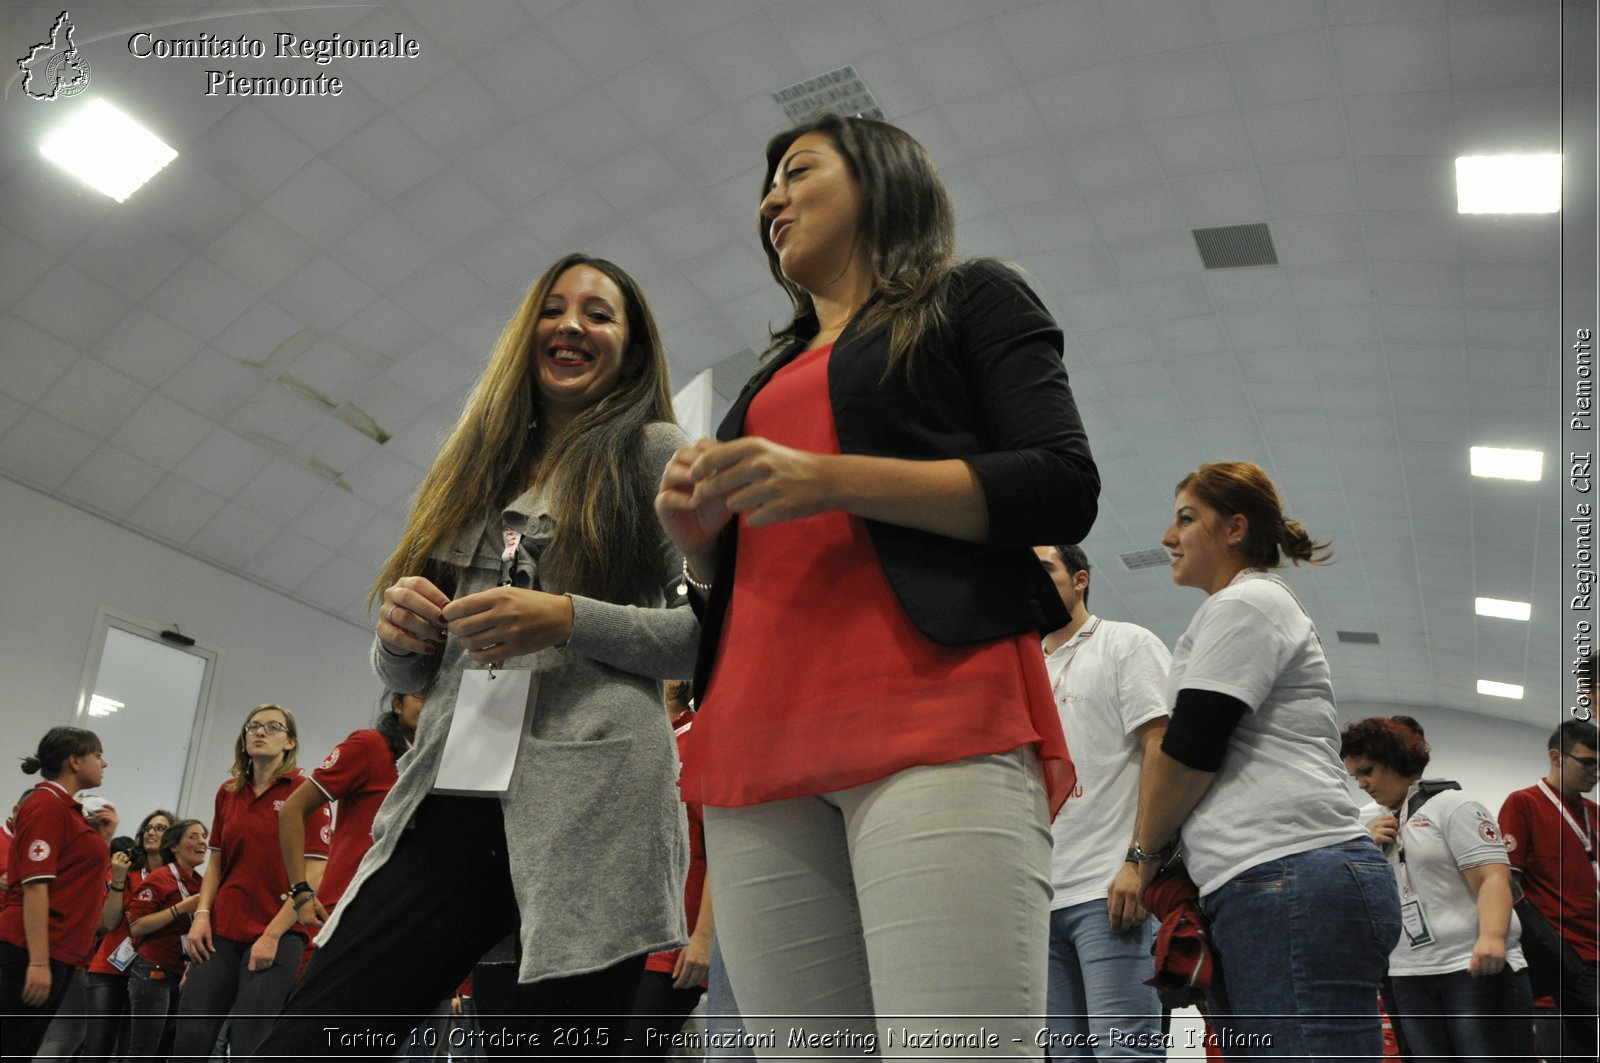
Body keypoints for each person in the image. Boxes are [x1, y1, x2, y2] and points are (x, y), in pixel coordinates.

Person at [655, 114, 1098, 1051]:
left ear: (883, 179)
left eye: (797, 170)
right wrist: (699, 548)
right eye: (766, 185)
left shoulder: (968, 296)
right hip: (756, 742)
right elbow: (731, 584)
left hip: (931, 709)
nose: (771, 197)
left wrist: (833, 478)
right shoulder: (767, 374)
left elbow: (1060, 482)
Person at [254, 252, 696, 1059]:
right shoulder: (472, 465)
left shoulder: (652, 451)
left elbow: (707, 633)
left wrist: (566, 616)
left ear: (631, 351)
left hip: (593, 806)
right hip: (454, 790)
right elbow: (408, 674)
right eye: (554, 308)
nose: (571, 325)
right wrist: (395, 637)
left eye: (599, 314)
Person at [1124, 461, 1400, 1058]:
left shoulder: (1246, 604)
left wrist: (1140, 858)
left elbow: (1191, 749)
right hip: (1271, 879)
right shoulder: (1239, 609)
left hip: (1291, 873)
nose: (1168, 537)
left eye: (1186, 519)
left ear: (1235, 529)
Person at [1033, 545, 1169, 1060]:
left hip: (1109, 890)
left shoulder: (1125, 644)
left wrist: (1140, 861)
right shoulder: (1019, 669)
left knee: (1125, 1054)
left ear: (1081, 579)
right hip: (1040, 898)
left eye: (1045, 569)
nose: (1032, 580)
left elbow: (1163, 747)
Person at [1341, 716, 1534, 1058]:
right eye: (1356, 776)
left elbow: (1493, 877)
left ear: (1394, 758)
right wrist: (1364, 846)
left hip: (1472, 966)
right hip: (1408, 972)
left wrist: (1491, 938)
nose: (1362, 784)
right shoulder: (1372, 826)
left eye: (1367, 771)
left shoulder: (1453, 806)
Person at [174, 704, 330, 1060]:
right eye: (253, 727)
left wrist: (272, 934)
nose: (260, 732)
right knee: (189, 1040)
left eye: (273, 727)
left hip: (278, 933)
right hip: (220, 931)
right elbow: (215, 863)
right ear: (244, 740)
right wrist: (201, 916)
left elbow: (314, 873)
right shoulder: (228, 792)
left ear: (290, 742)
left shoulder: (307, 793)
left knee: (249, 1044)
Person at [0, 727, 111, 1059]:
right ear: (75, 761)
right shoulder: (47, 804)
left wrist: (103, 840)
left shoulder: (66, 809)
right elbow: (35, 886)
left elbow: (76, 880)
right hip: (31, 948)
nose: (104, 763)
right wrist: (37, 961)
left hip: (57, 950)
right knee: (11, 1045)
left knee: (22, 1046)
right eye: (98, 755)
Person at [278, 685, 429, 929]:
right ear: (397, 704)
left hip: (406, 913)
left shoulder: (438, 765)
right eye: (422, 696)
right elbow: (292, 809)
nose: (432, 706)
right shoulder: (369, 745)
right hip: (349, 908)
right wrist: (301, 891)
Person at [1497, 718, 1599, 1062]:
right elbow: (1507, 883)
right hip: (1564, 961)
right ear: (1556, 757)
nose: (1596, 773)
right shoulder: (1523, 803)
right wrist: (1541, 946)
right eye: (1588, 762)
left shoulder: (1594, 813)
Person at [625, 680, 713, 1060]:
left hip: (675, 950)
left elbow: (723, 847)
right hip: (625, 944)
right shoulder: (635, 738)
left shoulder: (699, 740)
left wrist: (704, 938)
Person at [80, 807, 174, 1063]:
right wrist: (118, 881)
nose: (151, 832)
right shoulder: (125, 871)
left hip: (152, 971)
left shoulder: (178, 879)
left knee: (133, 1052)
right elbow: (109, 923)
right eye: (148, 827)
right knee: (96, 1049)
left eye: (161, 828)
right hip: (109, 969)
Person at [124, 817, 207, 1059]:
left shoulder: (200, 882)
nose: (201, 841)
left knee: (164, 1051)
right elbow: (137, 926)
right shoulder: (161, 878)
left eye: (203, 836)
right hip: (153, 972)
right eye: (193, 836)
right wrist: (180, 908)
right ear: (174, 846)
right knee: (143, 1051)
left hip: (182, 973)